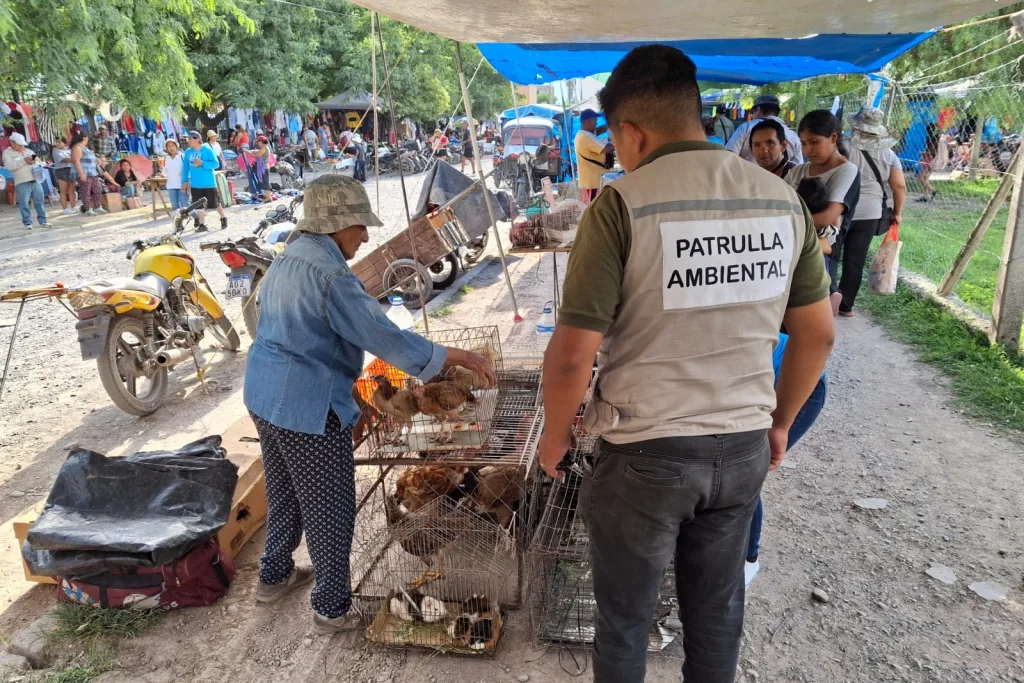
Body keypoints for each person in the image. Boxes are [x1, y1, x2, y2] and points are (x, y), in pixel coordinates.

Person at [537, 45, 835, 683]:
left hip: (645, 456)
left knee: (624, 622)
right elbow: (816, 335)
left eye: (617, 142)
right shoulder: (781, 202)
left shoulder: (623, 204)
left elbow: (569, 359)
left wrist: (555, 437)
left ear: (632, 131)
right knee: (717, 613)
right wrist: (779, 422)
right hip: (740, 452)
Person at [243, 174, 496, 633]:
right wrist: (461, 357)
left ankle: (274, 576)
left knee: (283, 492)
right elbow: (384, 338)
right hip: (306, 408)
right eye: (360, 226)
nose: (365, 236)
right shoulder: (330, 275)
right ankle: (331, 608)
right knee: (330, 508)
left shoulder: (291, 257)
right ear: (334, 225)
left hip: (264, 394)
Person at [745, 332, 828, 586]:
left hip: (793, 382)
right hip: (747, 385)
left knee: (742, 477)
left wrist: (780, 425)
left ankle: (748, 560)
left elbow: (820, 337)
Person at [787, 110, 861, 316]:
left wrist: (785, 225)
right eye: (803, 143)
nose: (808, 149)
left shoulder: (846, 171)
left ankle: (831, 294)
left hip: (822, 249)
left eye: (814, 142)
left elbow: (828, 218)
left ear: (834, 138)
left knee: (809, 321)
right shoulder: (798, 171)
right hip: (794, 246)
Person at [842, 107, 907, 317]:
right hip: (870, 213)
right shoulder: (889, 154)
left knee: (829, 255)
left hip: (840, 208)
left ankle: (824, 300)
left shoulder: (842, 146)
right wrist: (897, 213)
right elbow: (899, 186)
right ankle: (846, 306)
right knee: (855, 261)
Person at [726, 94, 804, 164]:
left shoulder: (746, 127)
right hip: (781, 180)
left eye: (753, 112)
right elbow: (798, 166)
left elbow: (728, 156)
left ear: (758, 109)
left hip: (749, 178)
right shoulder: (793, 136)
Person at [182, 130, 227, 232]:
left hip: (209, 183)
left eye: (190, 139)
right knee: (199, 205)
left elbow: (216, 164)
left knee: (215, 203)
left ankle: (223, 217)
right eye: (187, 139)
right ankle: (202, 224)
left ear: (197, 139)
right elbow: (185, 168)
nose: (188, 141)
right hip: (195, 184)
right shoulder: (188, 152)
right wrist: (184, 181)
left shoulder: (207, 150)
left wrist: (202, 163)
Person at [2, 133, 48, 230]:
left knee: (39, 202)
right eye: (19, 144)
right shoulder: (7, 153)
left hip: (35, 180)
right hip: (21, 182)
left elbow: (39, 160)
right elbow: (9, 166)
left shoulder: (29, 150)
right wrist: (24, 161)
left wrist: (35, 161)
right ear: (12, 143)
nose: (21, 146)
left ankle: (43, 221)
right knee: (24, 203)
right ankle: (27, 223)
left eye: (22, 144)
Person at [574, 109, 614, 203]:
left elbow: (599, 130)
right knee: (593, 211)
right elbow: (606, 148)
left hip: (590, 183)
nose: (596, 124)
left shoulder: (584, 134)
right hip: (592, 185)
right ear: (587, 122)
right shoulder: (586, 137)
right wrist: (622, 142)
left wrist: (611, 124)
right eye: (595, 121)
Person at [71, 133, 105, 216]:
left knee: (98, 189)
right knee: (86, 191)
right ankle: (88, 209)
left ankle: (98, 206)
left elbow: (90, 157)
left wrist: (97, 160)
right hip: (84, 172)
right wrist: (81, 173)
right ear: (84, 138)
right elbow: (76, 160)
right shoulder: (77, 147)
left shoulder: (85, 148)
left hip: (93, 172)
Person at [52, 138, 77, 214]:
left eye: (60, 142)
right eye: (56, 142)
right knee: (63, 191)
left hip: (71, 170)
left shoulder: (69, 150)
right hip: (61, 170)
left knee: (71, 191)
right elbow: (64, 160)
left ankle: (73, 207)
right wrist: (76, 158)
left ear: (65, 143)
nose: (58, 144)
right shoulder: (55, 150)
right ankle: (65, 208)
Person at [163, 139, 187, 211]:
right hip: (171, 185)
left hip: (182, 184)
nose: (171, 148)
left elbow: (187, 170)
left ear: (176, 146)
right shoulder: (166, 158)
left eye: (172, 145)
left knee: (184, 204)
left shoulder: (182, 156)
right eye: (169, 146)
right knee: (174, 205)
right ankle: (178, 220)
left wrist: (186, 181)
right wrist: (161, 168)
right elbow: (165, 172)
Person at [918, 122, 939, 202]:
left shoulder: (932, 138)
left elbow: (932, 151)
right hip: (931, 158)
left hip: (928, 158)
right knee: (926, 178)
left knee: (921, 178)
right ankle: (925, 196)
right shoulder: (936, 137)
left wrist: (922, 153)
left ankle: (933, 190)